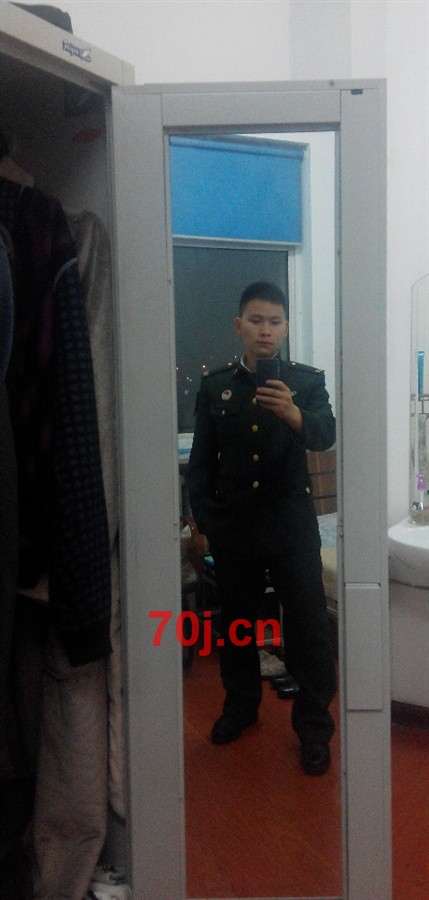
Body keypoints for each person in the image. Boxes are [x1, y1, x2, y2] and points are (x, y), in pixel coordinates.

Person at [186, 281, 337, 775]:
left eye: (274, 321)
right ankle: (240, 707)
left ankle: (313, 728)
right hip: (235, 529)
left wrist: (293, 412)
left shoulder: (307, 383)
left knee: (308, 629)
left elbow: (326, 434)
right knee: (237, 626)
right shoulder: (216, 387)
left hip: (291, 527)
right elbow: (201, 463)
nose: (265, 330)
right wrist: (207, 520)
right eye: (256, 320)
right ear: (239, 326)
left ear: (286, 327)